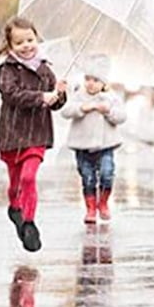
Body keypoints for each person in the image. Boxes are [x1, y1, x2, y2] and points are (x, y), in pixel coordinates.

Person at [0, 15, 67, 252]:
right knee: (16, 182)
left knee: (28, 177)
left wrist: (59, 94)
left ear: (37, 38)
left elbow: (54, 104)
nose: (26, 46)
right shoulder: (6, 69)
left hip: (36, 134)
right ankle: (15, 207)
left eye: (30, 40)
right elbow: (11, 94)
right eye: (19, 42)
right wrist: (40, 97)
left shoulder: (45, 69)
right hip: (13, 133)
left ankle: (30, 223)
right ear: (10, 45)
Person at [61, 54, 126, 223]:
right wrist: (82, 108)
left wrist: (108, 111)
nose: (90, 83)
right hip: (82, 146)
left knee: (107, 173)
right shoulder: (79, 95)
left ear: (104, 83)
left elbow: (121, 116)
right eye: (88, 79)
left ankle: (103, 203)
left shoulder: (111, 97)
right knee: (87, 177)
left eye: (95, 80)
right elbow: (66, 112)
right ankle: (90, 208)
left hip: (106, 145)